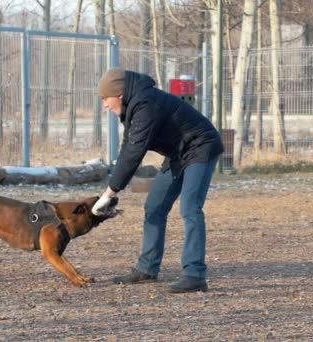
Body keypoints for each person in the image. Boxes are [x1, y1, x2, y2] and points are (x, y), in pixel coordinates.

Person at [91, 68, 224, 293]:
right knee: (154, 207)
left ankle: (194, 274)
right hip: (178, 153)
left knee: (190, 208)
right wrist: (112, 189)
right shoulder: (135, 106)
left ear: (119, 94)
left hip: (201, 146)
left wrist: (110, 193)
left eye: (105, 98)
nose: (104, 104)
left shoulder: (146, 104)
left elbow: (135, 151)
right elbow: (128, 148)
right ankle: (147, 269)